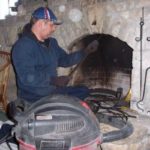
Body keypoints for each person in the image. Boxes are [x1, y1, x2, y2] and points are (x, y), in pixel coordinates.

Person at [11, 6, 99, 104]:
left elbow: (65, 60)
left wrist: (85, 52)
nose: (54, 28)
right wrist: (53, 80)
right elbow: (27, 77)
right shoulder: (23, 46)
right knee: (75, 99)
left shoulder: (52, 43)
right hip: (34, 96)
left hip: (51, 90)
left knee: (83, 90)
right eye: (52, 25)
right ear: (40, 23)